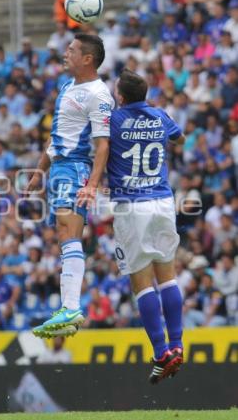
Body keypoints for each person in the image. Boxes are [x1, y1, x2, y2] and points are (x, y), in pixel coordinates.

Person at [27, 34, 114, 338]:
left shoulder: (98, 94)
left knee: (68, 230)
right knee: (64, 235)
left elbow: (103, 145)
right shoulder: (67, 86)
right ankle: (69, 308)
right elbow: (56, 136)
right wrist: (39, 171)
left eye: (72, 49)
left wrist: (92, 184)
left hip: (76, 167)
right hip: (59, 167)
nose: (66, 53)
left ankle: (72, 308)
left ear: (88, 58)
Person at [106, 69, 185, 384]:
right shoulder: (159, 114)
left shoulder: (113, 120)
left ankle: (161, 351)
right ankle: (178, 344)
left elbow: (97, 144)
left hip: (131, 206)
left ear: (121, 97)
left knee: (142, 282)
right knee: (168, 276)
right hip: (163, 202)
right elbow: (178, 136)